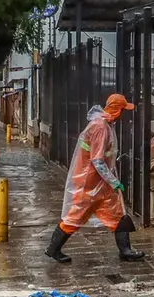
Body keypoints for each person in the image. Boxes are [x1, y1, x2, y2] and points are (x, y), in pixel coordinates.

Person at [44, 94, 145, 264]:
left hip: (98, 182)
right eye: (123, 110)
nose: (124, 115)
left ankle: (126, 250)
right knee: (75, 217)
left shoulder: (104, 124)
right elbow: (97, 160)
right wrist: (114, 181)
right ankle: (53, 249)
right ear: (117, 110)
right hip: (89, 182)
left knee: (117, 213)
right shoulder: (101, 128)